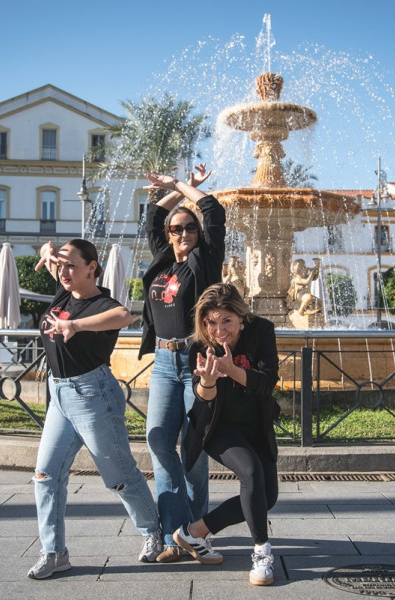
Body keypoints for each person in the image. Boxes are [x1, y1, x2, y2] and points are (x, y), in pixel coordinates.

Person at [28, 238, 162, 579]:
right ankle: (54, 552)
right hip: (59, 395)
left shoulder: (102, 302)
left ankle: (153, 533)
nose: (64, 272)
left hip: (93, 395)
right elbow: (50, 250)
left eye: (72, 266)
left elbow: (123, 315)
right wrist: (48, 251)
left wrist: (75, 325)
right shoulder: (63, 293)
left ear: (93, 267)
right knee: (45, 474)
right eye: (61, 266)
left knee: (118, 476)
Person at [138, 164, 226, 562]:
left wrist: (181, 186)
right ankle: (175, 533)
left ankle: (195, 533)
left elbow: (213, 210)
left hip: (195, 361)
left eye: (189, 228)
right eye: (177, 229)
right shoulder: (161, 261)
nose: (184, 233)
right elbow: (152, 216)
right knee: (159, 440)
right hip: (162, 362)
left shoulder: (204, 261)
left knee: (193, 449)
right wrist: (169, 194)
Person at [176, 283, 280, 586]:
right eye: (210, 322)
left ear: (241, 318)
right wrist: (208, 380)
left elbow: (267, 381)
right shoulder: (199, 345)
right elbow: (202, 401)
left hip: (256, 425)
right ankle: (262, 554)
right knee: (250, 471)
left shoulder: (261, 331)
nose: (218, 330)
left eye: (226, 322)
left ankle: (193, 532)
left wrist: (232, 369)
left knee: (267, 497)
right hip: (219, 428)